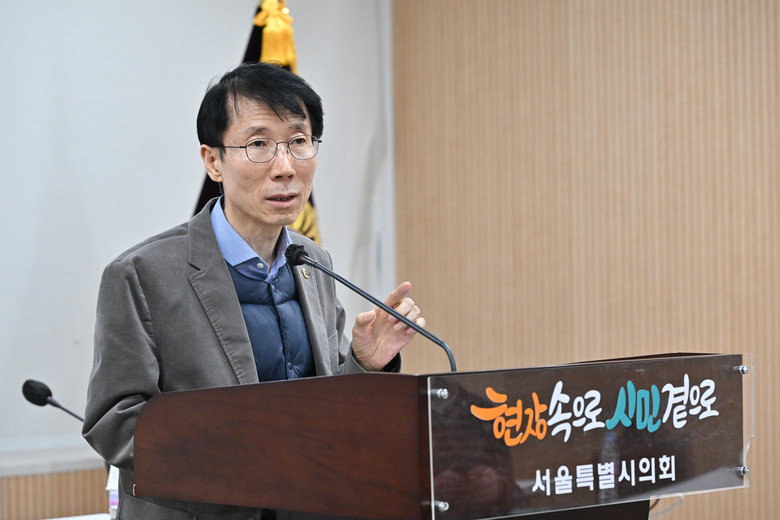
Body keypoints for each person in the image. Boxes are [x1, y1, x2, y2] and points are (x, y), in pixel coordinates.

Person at [82, 62, 424, 520]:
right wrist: (249, 459)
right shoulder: (141, 275)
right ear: (213, 161)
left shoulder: (313, 262)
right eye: (258, 144)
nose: (285, 168)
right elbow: (114, 424)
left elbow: (328, 411)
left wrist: (364, 363)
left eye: (299, 141)